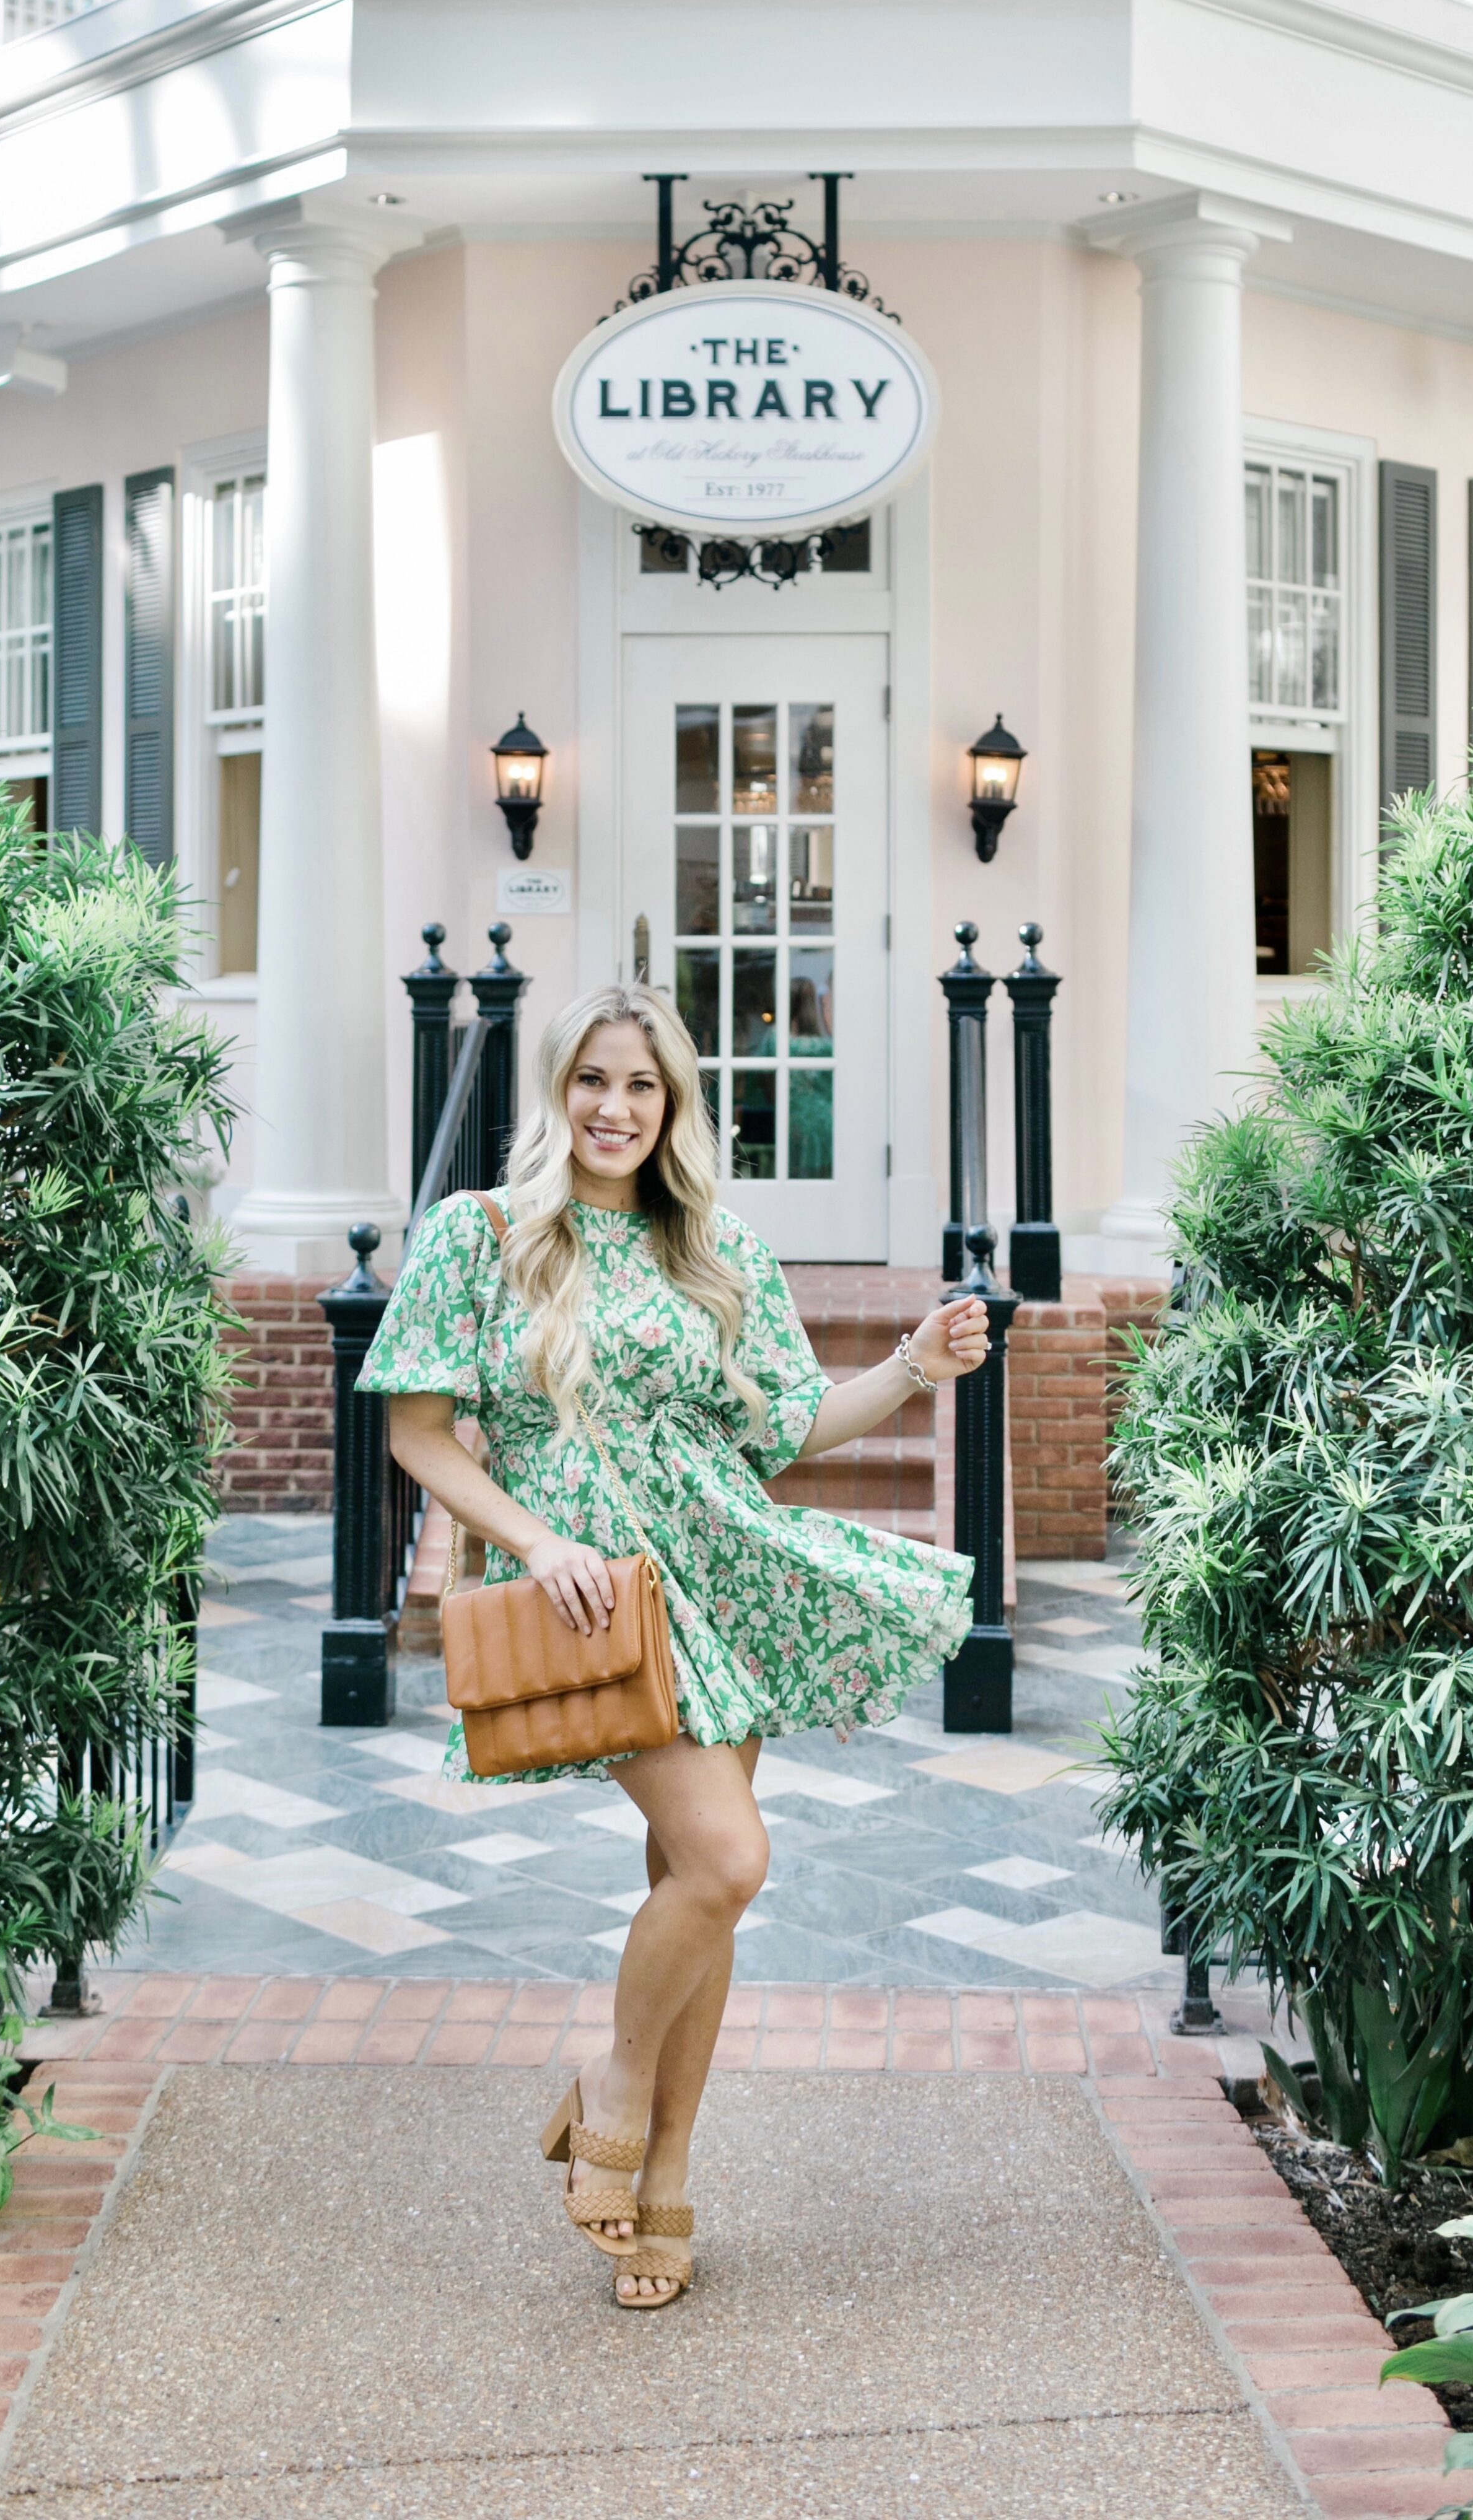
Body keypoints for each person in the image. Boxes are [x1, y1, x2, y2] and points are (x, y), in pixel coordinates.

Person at [361, 980, 986, 2310]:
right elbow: (416, 1432)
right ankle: (614, 2090)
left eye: (641, 1085)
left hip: (723, 1570)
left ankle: (661, 2184)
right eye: (593, 1079)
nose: (614, 1107)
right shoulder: (479, 1238)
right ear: (557, 1090)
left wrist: (918, 1367)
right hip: (596, 1591)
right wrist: (533, 1541)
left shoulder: (715, 1247)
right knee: (726, 1854)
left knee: (697, 1889)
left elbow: (790, 1428)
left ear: (674, 1104)